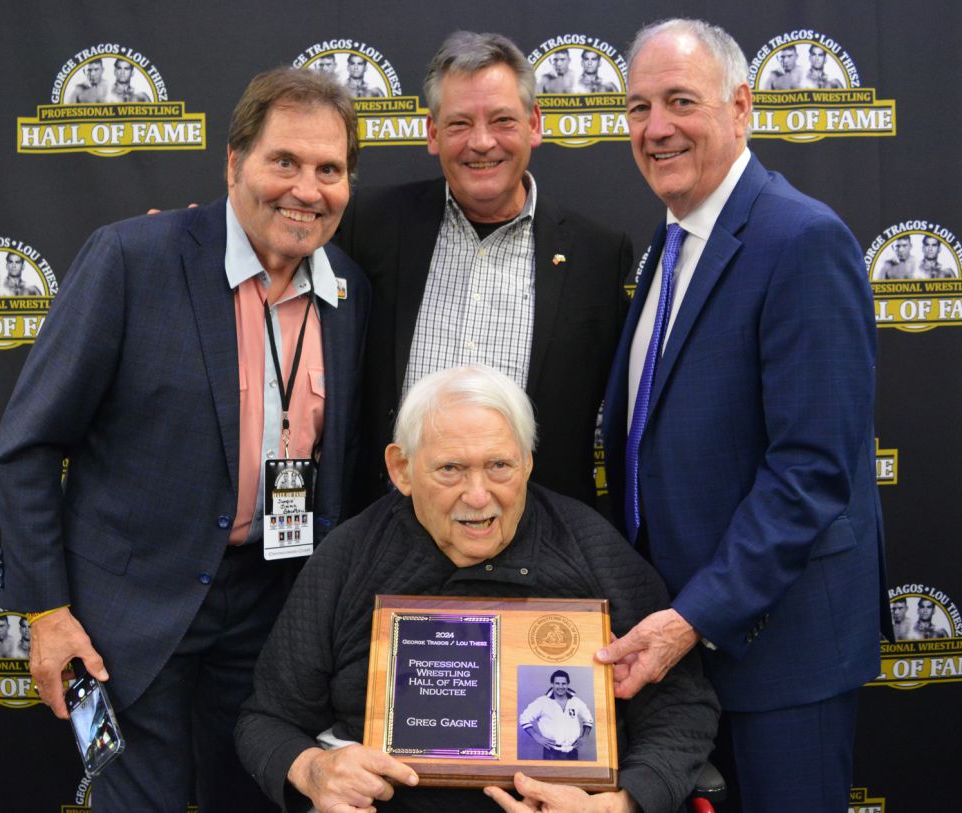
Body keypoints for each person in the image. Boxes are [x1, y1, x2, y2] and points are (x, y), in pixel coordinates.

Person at [0, 67, 370, 813]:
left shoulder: (345, 292)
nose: (306, 188)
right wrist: (47, 611)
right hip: (130, 613)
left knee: (259, 796)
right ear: (234, 164)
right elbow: (28, 444)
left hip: (272, 607)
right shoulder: (134, 258)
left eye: (329, 170)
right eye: (284, 162)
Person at [598, 19, 888, 813]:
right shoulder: (668, 245)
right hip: (682, 659)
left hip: (778, 656)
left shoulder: (802, 240)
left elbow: (810, 473)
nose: (655, 128)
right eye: (637, 107)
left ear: (741, 107)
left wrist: (692, 618)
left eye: (680, 102)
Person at [236, 365, 718, 813]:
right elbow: (266, 719)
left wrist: (619, 805)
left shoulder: (590, 549)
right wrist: (313, 769)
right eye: (450, 469)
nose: (479, 495)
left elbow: (682, 706)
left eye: (499, 466)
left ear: (527, 463)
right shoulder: (351, 556)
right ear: (401, 469)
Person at [336, 31, 632, 511]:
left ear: (534, 124)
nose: (481, 142)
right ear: (432, 134)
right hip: (388, 537)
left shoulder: (599, 255)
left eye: (501, 120)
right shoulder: (365, 225)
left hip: (538, 548)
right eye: (459, 123)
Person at [519, 669, 593, 759]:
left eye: (563, 683)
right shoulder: (542, 702)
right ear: (552, 684)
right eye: (557, 683)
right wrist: (536, 737)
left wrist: (585, 736)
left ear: (568, 684)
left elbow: (588, 719)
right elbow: (524, 718)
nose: (560, 687)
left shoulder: (576, 702)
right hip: (551, 753)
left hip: (572, 752)